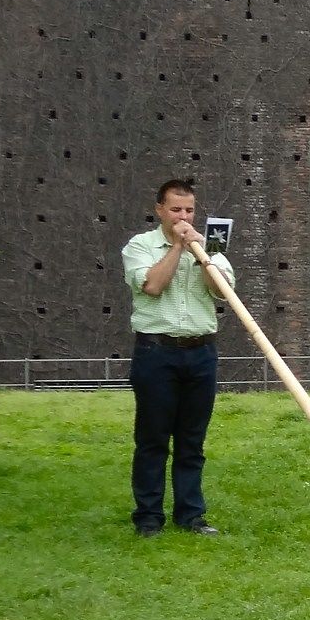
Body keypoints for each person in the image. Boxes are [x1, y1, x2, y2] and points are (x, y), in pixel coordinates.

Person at [121, 177, 235, 535]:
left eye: (188, 210)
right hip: (156, 352)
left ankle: (190, 516)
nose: (182, 216)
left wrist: (204, 256)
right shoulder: (139, 246)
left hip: (201, 352)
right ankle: (149, 518)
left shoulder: (210, 247)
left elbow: (223, 293)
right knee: (153, 439)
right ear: (160, 210)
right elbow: (153, 286)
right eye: (175, 209)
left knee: (192, 441)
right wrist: (178, 249)